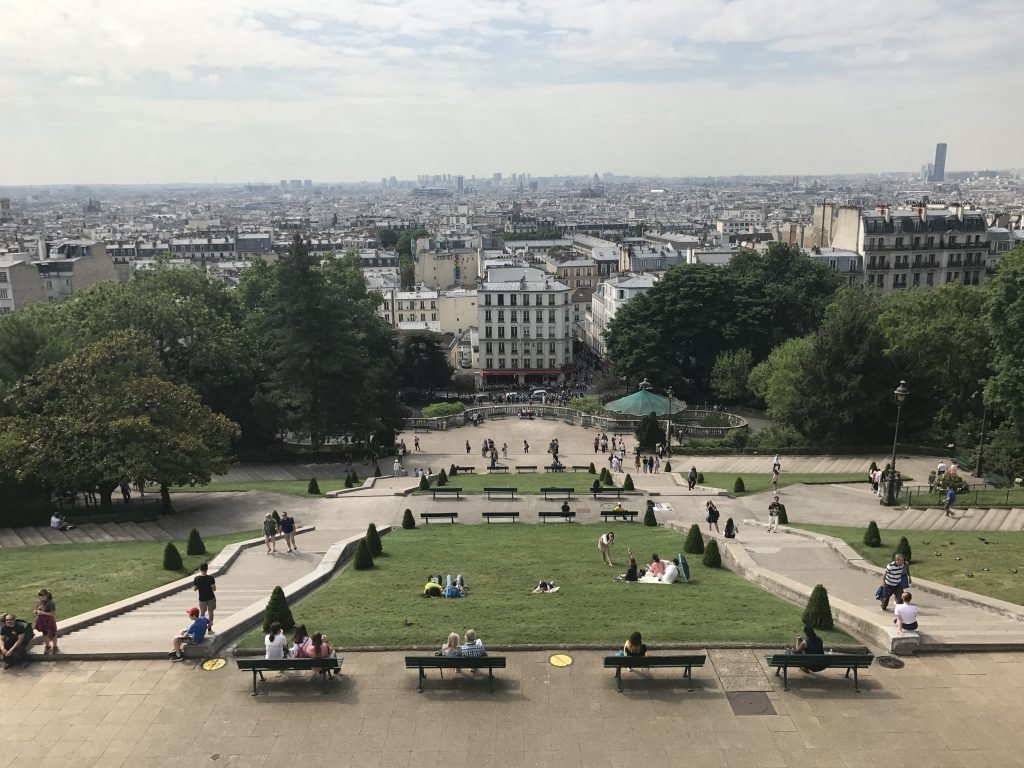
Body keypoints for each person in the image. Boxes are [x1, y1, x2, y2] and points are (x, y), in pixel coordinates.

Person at [192, 562, 217, 633]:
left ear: (200, 569)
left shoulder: (196, 579)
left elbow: (195, 589)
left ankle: (201, 628)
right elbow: (214, 589)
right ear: (207, 569)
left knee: (202, 614)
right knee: (211, 612)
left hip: (202, 598)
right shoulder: (211, 578)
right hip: (211, 597)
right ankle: (209, 629)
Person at [34, 589, 59, 655]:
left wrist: (42, 612)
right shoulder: (40, 602)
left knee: (53, 633)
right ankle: (47, 646)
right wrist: (36, 611)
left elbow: (53, 614)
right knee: (44, 633)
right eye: (39, 595)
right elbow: (38, 608)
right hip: (42, 620)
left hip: (49, 620)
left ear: (46, 595)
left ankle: (55, 646)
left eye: (42, 595)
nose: (40, 597)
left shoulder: (51, 603)